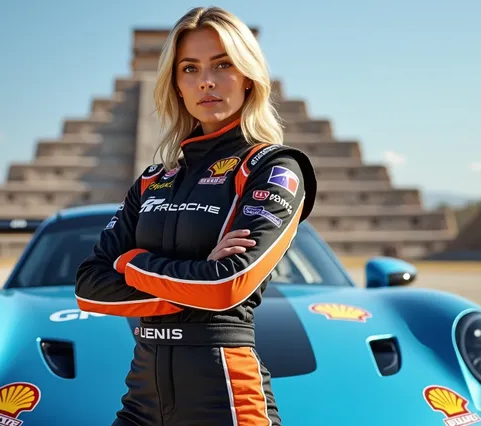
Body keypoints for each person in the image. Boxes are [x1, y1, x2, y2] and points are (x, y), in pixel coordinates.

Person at [75, 6, 317, 425]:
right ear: (177, 86)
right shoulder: (154, 179)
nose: (206, 79)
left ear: (248, 77)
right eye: (190, 68)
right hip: (142, 400)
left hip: (226, 397)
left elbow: (228, 283)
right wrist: (195, 278)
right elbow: (89, 287)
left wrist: (129, 262)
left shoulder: (272, 167)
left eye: (222, 64)